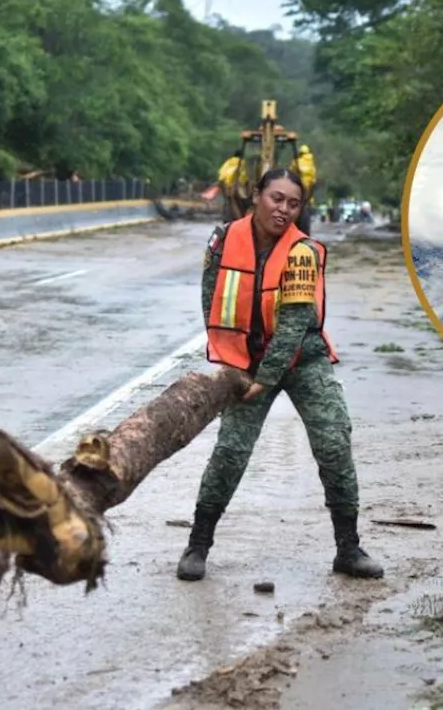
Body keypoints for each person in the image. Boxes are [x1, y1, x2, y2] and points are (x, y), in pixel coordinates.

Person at [177, 168, 382, 583]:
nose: (284, 210)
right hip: (246, 363)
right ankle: (197, 545)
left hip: (301, 360)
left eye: (293, 203)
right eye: (276, 198)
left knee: (333, 441)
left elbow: (292, 327)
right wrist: (229, 360)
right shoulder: (221, 241)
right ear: (255, 196)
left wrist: (265, 379)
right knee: (230, 451)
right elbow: (209, 300)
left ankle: (348, 548)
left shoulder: (301, 252)